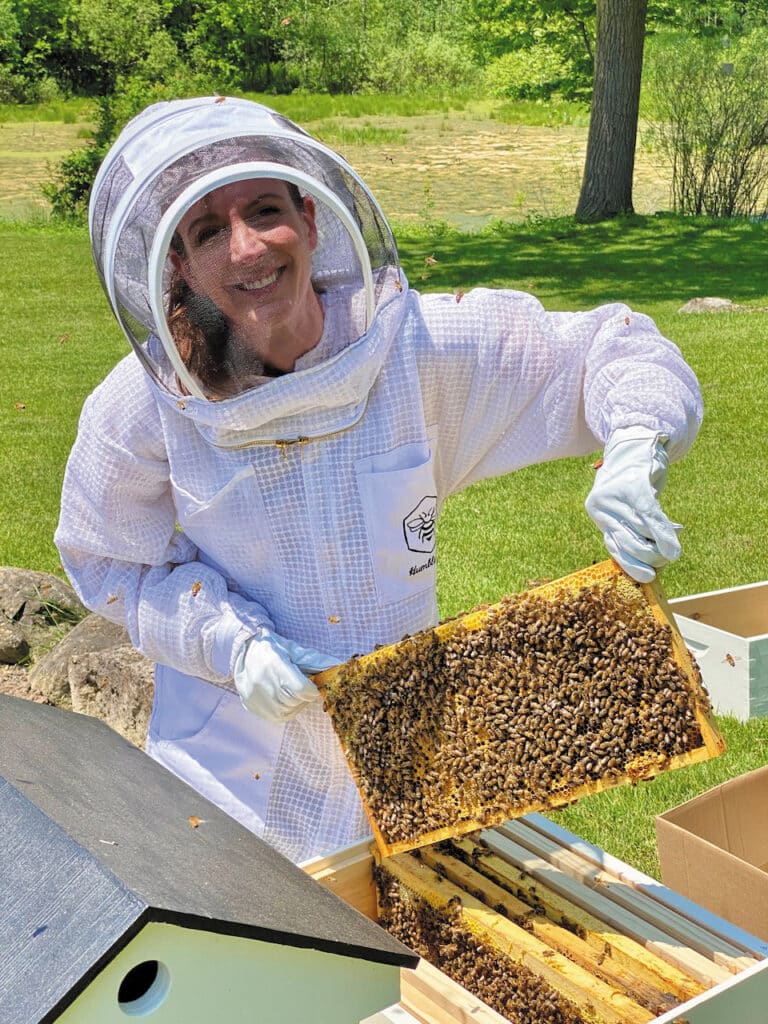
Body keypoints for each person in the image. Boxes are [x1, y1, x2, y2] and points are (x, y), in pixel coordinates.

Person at [55, 96, 703, 865]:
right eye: (206, 231)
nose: (247, 248)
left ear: (313, 218)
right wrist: (225, 642)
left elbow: (613, 346)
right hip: (230, 781)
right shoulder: (142, 407)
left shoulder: (416, 347)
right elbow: (109, 567)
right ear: (179, 265)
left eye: (265, 211)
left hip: (408, 766)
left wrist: (635, 441)